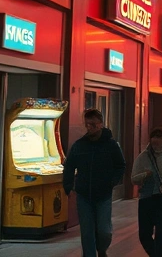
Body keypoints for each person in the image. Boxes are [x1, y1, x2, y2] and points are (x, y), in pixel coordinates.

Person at [62, 109, 126, 257]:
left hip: (103, 194)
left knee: (104, 230)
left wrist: (112, 182)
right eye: (87, 124)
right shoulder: (79, 146)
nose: (89, 127)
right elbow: (69, 165)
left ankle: (102, 248)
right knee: (86, 231)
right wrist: (68, 186)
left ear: (101, 124)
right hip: (84, 194)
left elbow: (120, 165)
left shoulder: (111, 145)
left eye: (93, 124)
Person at [132, 128, 162, 257]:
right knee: (144, 234)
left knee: (161, 232)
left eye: (159, 137)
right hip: (146, 198)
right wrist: (145, 175)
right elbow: (133, 178)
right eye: (154, 137)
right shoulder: (143, 157)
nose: (156, 140)